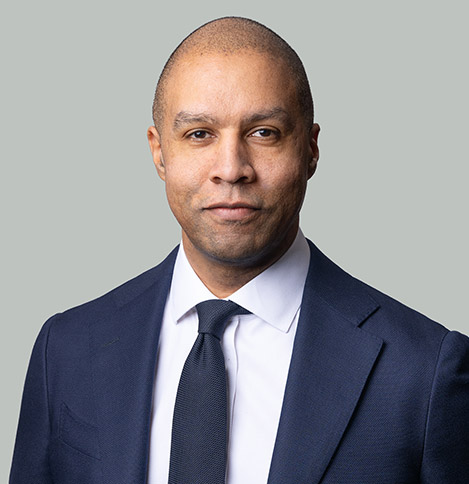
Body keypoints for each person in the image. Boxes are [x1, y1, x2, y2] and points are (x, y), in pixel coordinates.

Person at [10, 16, 469, 484]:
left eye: (264, 132)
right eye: (199, 134)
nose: (231, 169)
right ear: (159, 152)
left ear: (310, 149)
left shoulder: (425, 372)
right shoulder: (65, 349)